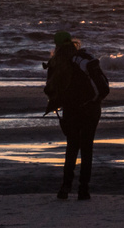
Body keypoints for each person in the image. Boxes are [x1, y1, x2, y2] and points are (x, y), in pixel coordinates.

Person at [44, 31, 109, 201]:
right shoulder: (83, 59)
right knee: (87, 149)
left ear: (56, 46)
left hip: (72, 111)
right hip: (91, 109)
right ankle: (83, 189)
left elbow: (50, 90)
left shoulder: (57, 63)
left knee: (72, 148)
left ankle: (65, 187)